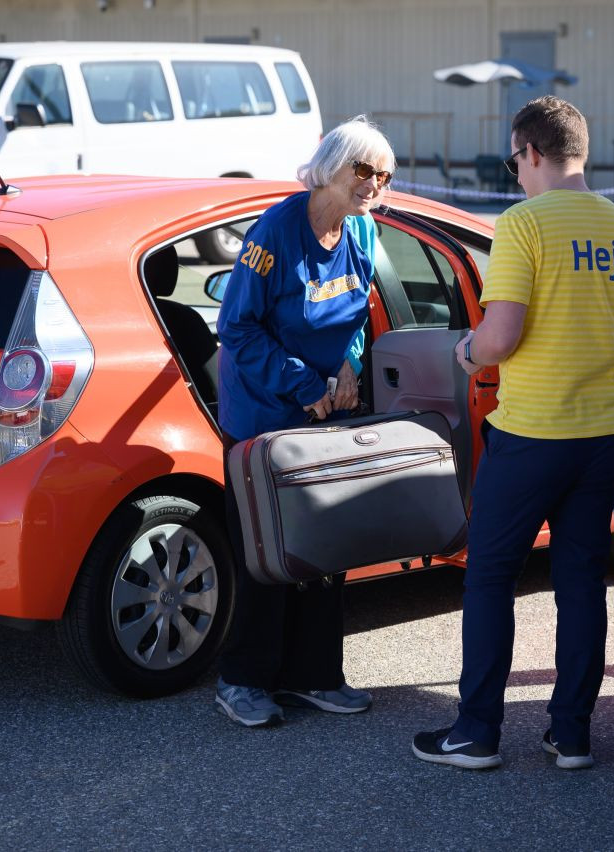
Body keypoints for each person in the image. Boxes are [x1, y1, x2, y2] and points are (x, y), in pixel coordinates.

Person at [411, 96, 614, 770]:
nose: (514, 174)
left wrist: (465, 351)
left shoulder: (523, 226)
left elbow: (501, 337)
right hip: (606, 432)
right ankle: (571, 733)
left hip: (531, 434)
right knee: (580, 580)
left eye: (513, 160)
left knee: (489, 577)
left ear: (531, 151)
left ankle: (476, 731)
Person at [212, 117, 394, 727]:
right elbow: (235, 328)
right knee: (266, 554)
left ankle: (314, 676)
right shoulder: (276, 233)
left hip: (325, 414)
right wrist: (303, 383)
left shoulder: (364, 232)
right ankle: (243, 681)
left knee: (324, 547)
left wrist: (348, 366)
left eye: (384, 174)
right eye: (363, 170)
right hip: (265, 417)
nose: (374, 184)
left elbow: (359, 319)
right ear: (330, 168)